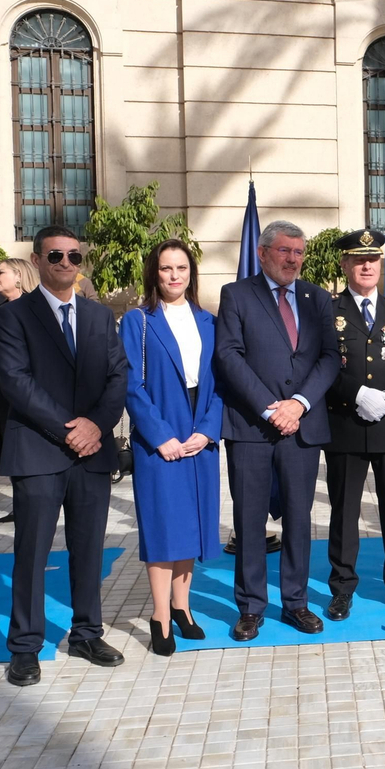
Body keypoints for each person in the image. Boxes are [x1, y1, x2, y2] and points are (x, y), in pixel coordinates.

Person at [0, 226, 128, 686]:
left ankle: (87, 633)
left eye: (74, 256)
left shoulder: (98, 315)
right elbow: (16, 382)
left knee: (89, 549)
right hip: (39, 451)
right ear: (37, 260)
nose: (66, 263)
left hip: (92, 453)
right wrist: (73, 429)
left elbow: (118, 376)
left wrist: (97, 426)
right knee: (32, 553)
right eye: (56, 256)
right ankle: (25, 646)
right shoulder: (13, 316)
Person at [214, 221, 341, 641]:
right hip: (252, 426)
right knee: (249, 520)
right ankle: (251, 607)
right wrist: (271, 408)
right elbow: (228, 356)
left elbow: (329, 357)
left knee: (299, 519)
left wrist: (298, 403)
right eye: (284, 250)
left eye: (298, 252)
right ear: (262, 252)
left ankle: (296, 602)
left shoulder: (317, 298)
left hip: (302, 427)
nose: (293, 259)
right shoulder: (236, 295)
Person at [121, 240, 223, 656]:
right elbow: (132, 384)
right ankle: (160, 614)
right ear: (154, 273)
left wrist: (209, 430)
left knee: (193, 524)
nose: (174, 275)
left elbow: (222, 382)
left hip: (200, 433)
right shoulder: (138, 321)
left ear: (191, 272)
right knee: (164, 526)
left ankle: (183, 606)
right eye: (166, 268)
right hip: (160, 435)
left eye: (181, 267)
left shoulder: (209, 321)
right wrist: (160, 435)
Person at [321, 229, 385, 622]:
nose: (366, 266)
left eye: (372, 260)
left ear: (381, 264)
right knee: (344, 511)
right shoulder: (328, 309)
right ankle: (342, 588)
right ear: (345, 265)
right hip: (345, 423)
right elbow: (322, 364)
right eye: (358, 260)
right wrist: (357, 394)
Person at [0, 258, 39, 524]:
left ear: (18, 276)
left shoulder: (35, 310)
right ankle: (21, 505)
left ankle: (33, 504)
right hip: (2, 395)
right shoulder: (0, 312)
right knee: (11, 451)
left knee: (27, 450)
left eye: (0, 272)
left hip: (28, 395)